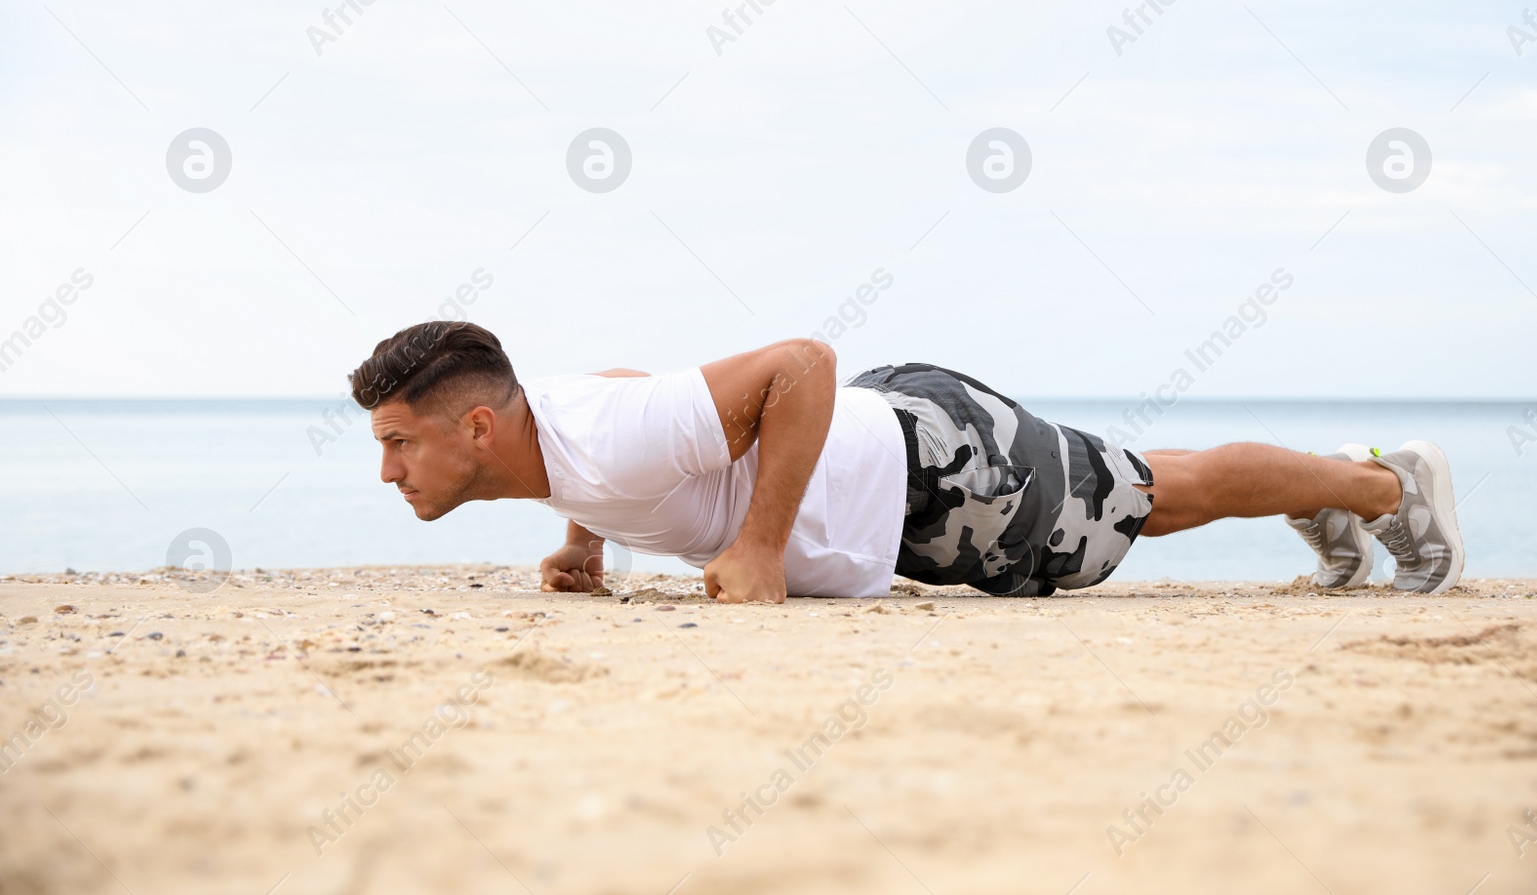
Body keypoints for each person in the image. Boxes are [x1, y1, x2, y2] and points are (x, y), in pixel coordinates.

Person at [350, 322, 1465, 604]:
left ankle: (1384, 485)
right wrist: (581, 539)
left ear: (476, 428)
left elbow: (800, 361)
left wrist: (759, 546)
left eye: (400, 441)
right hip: (913, 464)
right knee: (1145, 480)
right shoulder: (554, 433)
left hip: (934, 476)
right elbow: (624, 380)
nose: (390, 470)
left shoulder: (599, 436)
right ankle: (1339, 486)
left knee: (1157, 498)